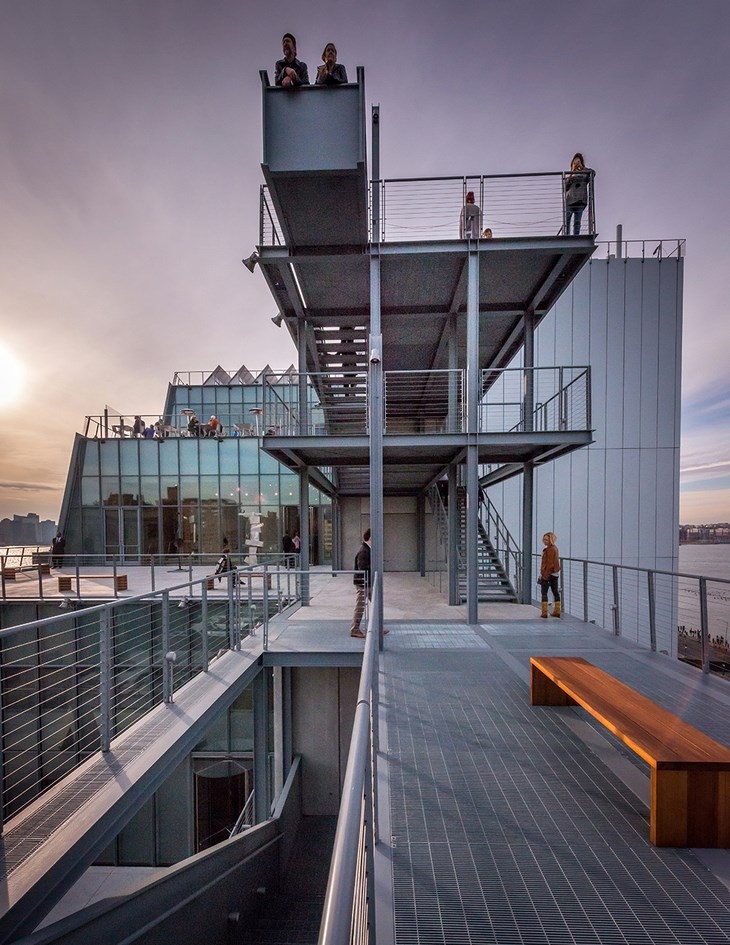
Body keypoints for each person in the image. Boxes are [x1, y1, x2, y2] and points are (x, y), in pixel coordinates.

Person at [350, 528, 372, 638]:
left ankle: (376, 627)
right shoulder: (364, 550)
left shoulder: (367, 549)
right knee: (360, 605)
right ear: (371, 538)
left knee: (376, 604)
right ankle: (355, 629)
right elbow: (362, 567)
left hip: (366, 582)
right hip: (363, 583)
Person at [564, 153, 593, 236]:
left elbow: (593, 173)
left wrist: (582, 168)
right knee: (567, 220)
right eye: (575, 162)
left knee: (577, 221)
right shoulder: (568, 175)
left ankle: (576, 236)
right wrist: (572, 173)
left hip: (580, 200)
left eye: (578, 162)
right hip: (569, 200)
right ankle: (567, 236)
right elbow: (565, 187)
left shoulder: (585, 174)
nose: (576, 163)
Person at [538, 532, 561, 618]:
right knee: (555, 591)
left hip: (548, 573)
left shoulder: (550, 549)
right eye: (544, 539)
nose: (544, 541)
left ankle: (544, 612)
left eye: (546, 539)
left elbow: (549, 564)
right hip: (555, 573)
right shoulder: (554, 548)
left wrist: (545, 575)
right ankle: (557, 611)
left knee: (544, 592)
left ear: (550, 540)